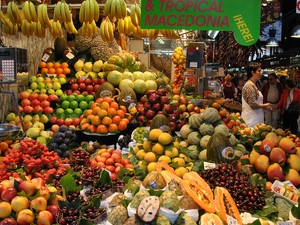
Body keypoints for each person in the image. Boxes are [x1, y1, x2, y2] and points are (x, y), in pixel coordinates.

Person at [241, 62, 272, 127]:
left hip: (255, 119)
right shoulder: (249, 86)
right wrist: (264, 106)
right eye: (259, 71)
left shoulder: (254, 84)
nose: (261, 73)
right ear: (252, 72)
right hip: (251, 121)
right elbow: (253, 104)